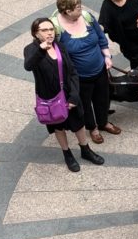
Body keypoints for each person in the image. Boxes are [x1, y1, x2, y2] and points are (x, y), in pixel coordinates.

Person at [24, 18, 104, 172]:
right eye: (44, 30)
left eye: (51, 29)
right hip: (50, 98)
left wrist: (74, 94)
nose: (49, 33)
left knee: (79, 123)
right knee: (58, 126)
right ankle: (67, 153)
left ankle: (85, 149)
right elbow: (29, 65)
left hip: (68, 93)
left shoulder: (60, 46)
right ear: (36, 33)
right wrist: (41, 49)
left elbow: (72, 71)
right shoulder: (31, 50)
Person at [50, 0, 118, 145]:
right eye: (78, 7)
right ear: (67, 11)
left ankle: (103, 122)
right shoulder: (56, 28)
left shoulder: (87, 17)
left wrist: (107, 56)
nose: (81, 10)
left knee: (103, 99)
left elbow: (101, 37)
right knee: (85, 104)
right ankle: (93, 128)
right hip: (79, 77)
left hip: (100, 70)